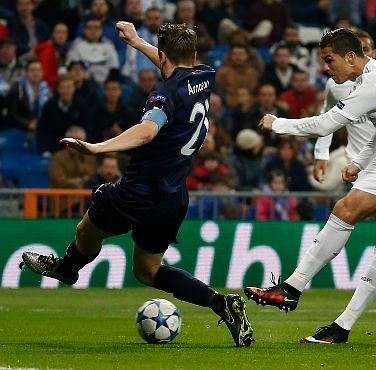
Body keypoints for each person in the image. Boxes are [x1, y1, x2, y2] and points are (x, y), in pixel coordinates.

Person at [20, 21, 253, 348]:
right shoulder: (204, 76)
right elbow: (170, 62)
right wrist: (137, 42)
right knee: (147, 270)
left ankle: (68, 269)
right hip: (173, 197)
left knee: (88, 228)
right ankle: (221, 303)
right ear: (194, 54)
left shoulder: (163, 94)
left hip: (138, 190)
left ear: (163, 55)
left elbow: (146, 131)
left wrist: (97, 147)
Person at [247, 28, 376, 343]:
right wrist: (360, 161)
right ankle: (290, 289)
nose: (326, 69)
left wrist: (279, 124)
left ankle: (342, 327)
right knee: (345, 208)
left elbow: (326, 123)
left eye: (330, 60)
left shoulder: (374, 82)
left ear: (351, 56)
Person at [312, 30, 376, 318]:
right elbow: (326, 117)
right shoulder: (337, 86)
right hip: (363, 167)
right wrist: (321, 155)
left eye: (368, 48)